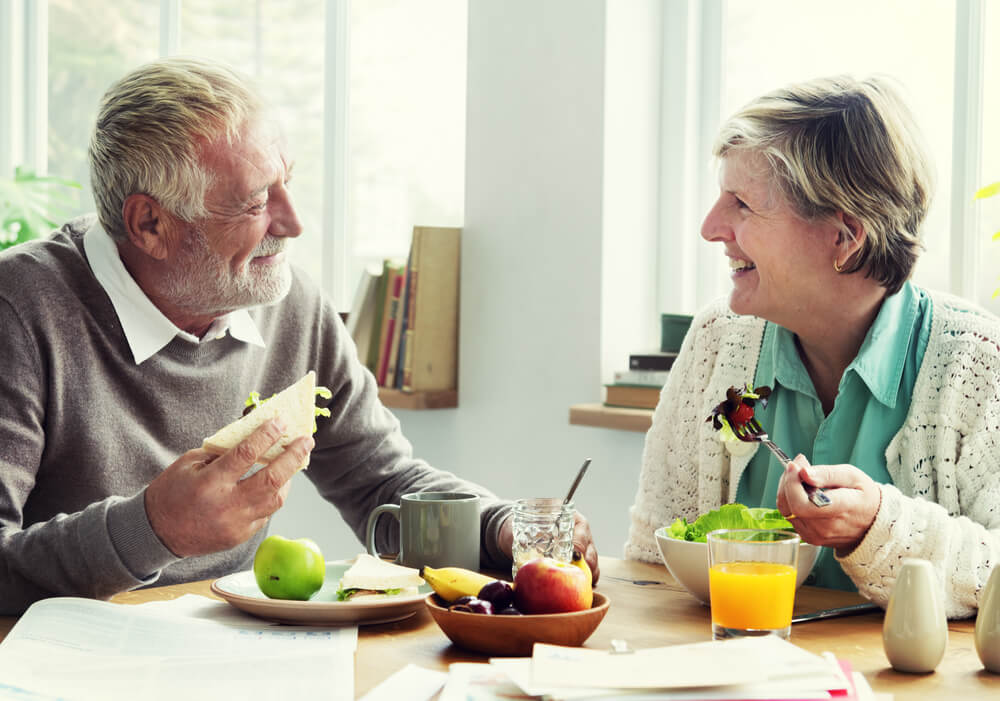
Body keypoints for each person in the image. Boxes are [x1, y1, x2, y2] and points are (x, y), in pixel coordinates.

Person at [0, 57, 598, 615]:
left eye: (287, 183)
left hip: (234, 650)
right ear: (150, 223)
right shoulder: (19, 310)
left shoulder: (288, 301)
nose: (293, 223)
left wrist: (500, 524)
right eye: (257, 200)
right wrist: (154, 529)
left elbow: (381, 479)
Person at [625, 75, 1000, 619]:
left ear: (845, 239)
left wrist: (877, 526)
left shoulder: (978, 362)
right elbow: (652, 566)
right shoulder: (715, 341)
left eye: (743, 204)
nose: (711, 227)